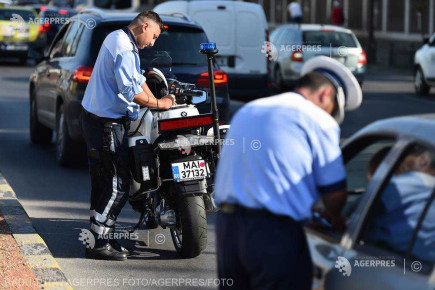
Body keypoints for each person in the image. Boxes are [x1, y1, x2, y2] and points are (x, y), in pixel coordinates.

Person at [214, 56, 362, 289]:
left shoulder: (250, 109)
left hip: (227, 227)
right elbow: (334, 194)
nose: (329, 114)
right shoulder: (318, 119)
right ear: (325, 95)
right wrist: (335, 216)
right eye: (332, 109)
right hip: (273, 234)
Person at [81, 11, 176, 261]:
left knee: (103, 180)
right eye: (154, 36)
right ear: (144, 26)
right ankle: (98, 244)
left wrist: (156, 99)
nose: (153, 42)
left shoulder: (120, 39)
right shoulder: (124, 48)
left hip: (96, 118)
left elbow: (138, 79)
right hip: (106, 123)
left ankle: (102, 235)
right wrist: (161, 105)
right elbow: (130, 92)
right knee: (118, 183)